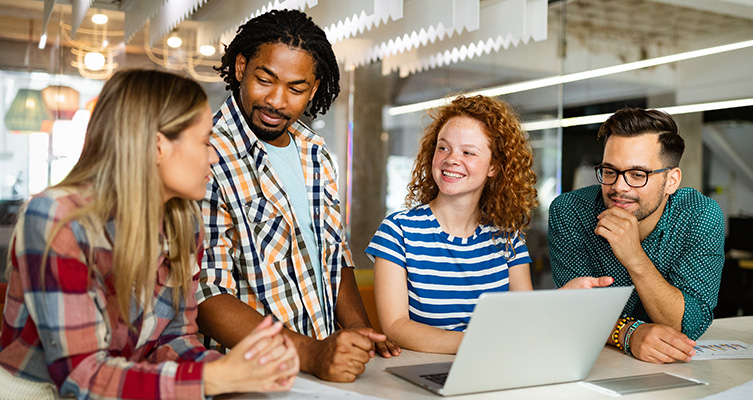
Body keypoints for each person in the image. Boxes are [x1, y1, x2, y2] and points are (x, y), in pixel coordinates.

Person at [0, 69, 299, 400]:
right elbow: (80, 376)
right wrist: (211, 379)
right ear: (158, 146)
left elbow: (175, 337)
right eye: (204, 142)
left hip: (131, 386)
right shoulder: (57, 217)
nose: (213, 157)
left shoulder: (184, 220)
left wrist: (240, 372)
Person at [196, 9, 399, 383]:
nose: (276, 100)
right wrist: (310, 354)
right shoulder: (205, 154)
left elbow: (333, 256)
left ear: (315, 88)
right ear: (241, 67)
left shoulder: (314, 152)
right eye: (265, 79)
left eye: (296, 88)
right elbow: (206, 296)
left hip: (322, 371)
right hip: (249, 378)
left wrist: (359, 333)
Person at [366, 95, 613, 354]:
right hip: (423, 372)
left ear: (494, 166)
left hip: (493, 366)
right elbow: (396, 326)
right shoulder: (397, 231)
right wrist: (478, 344)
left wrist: (561, 299)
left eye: (468, 152)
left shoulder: (508, 238)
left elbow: (524, 318)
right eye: (443, 147)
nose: (451, 159)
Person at [548, 107, 725, 364]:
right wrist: (628, 334)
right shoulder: (570, 211)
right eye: (610, 171)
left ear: (672, 181)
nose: (619, 187)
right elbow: (575, 309)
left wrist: (634, 256)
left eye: (637, 174)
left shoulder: (700, 215)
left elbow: (689, 325)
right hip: (594, 362)